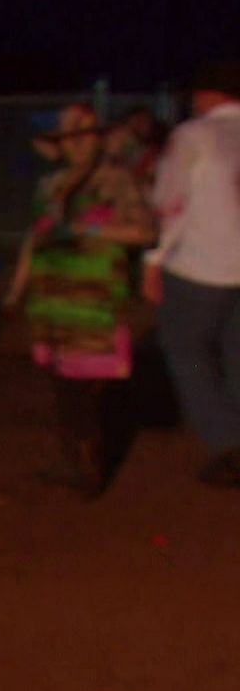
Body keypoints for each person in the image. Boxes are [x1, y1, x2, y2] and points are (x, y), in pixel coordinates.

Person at [6, 104, 156, 495]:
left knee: (83, 388)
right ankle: (74, 461)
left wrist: (94, 229)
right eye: (69, 138)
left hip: (94, 303)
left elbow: (145, 231)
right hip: (52, 302)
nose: (77, 145)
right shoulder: (51, 185)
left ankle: (88, 465)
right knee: (62, 386)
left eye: (85, 136)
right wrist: (16, 289)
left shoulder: (115, 181)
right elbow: (35, 237)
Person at [146, 60, 240, 486]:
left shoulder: (194, 136)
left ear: (207, 94)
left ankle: (229, 442)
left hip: (203, 266)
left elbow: (171, 201)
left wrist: (154, 259)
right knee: (235, 353)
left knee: (185, 348)